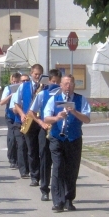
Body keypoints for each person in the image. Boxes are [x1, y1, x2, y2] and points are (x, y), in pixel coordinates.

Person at [42, 74, 91, 212]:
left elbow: (87, 119)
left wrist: (74, 112)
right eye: (65, 84)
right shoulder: (54, 99)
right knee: (57, 169)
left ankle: (69, 200)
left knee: (72, 170)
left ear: (74, 85)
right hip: (57, 138)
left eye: (70, 83)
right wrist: (57, 117)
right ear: (61, 86)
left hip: (74, 139)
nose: (68, 86)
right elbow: (46, 118)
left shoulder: (81, 99)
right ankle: (58, 202)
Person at [28, 69, 62, 201]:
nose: (56, 84)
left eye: (58, 82)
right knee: (45, 159)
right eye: (54, 82)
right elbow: (31, 112)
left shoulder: (62, 95)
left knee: (59, 162)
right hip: (45, 129)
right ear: (49, 81)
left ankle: (58, 189)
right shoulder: (42, 94)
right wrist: (41, 122)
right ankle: (44, 189)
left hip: (58, 130)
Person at [15, 64, 44, 186]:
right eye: (35, 74)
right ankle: (34, 176)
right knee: (31, 150)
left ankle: (43, 175)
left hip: (41, 121)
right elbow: (16, 103)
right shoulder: (23, 86)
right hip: (28, 121)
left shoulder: (45, 87)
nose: (37, 76)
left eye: (39, 74)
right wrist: (22, 114)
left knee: (42, 149)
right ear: (31, 74)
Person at [0, 72, 21, 169]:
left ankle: (19, 159)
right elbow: (1, 102)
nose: (15, 83)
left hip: (20, 116)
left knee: (20, 139)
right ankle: (12, 159)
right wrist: (10, 95)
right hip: (10, 116)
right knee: (12, 138)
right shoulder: (7, 89)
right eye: (14, 81)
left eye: (17, 82)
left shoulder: (22, 89)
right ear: (11, 81)